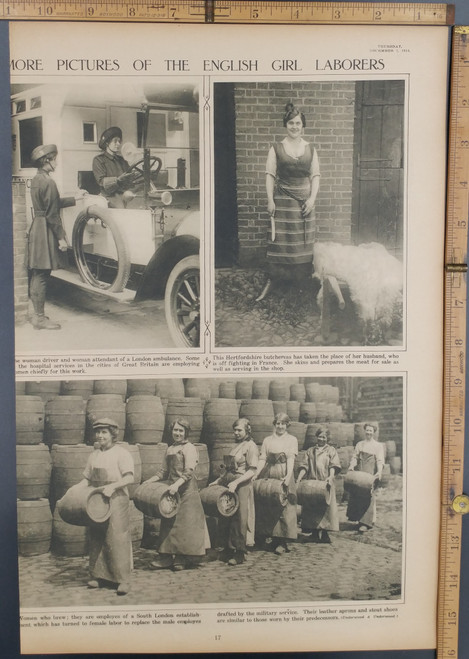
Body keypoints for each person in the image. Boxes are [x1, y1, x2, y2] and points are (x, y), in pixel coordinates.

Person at [256, 102, 320, 302]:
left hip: (305, 205)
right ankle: (276, 282)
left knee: (302, 245)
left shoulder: (310, 148)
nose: (294, 126)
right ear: (286, 125)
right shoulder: (276, 148)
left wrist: (312, 199)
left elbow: (315, 176)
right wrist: (270, 201)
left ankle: (302, 286)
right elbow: (270, 176)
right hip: (283, 202)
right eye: (291, 123)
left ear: (303, 126)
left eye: (298, 123)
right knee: (281, 244)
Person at [27, 144, 81, 330]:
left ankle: (36, 315)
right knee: (42, 274)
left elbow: (52, 204)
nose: (56, 162)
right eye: (54, 159)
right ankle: (40, 319)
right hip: (46, 230)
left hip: (37, 226)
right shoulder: (49, 182)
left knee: (36, 272)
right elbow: (53, 214)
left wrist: (76, 198)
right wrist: (61, 238)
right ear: (46, 161)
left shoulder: (36, 179)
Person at [145, 417, 208, 571]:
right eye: (175, 430)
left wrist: (176, 485)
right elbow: (163, 472)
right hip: (173, 491)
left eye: (181, 430)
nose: (177, 433)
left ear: (186, 432)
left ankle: (182, 558)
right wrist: (149, 481)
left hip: (187, 491)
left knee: (185, 525)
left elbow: (188, 473)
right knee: (168, 524)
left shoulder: (189, 448)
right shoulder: (170, 449)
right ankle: (166, 557)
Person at [80, 418, 134, 595]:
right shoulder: (94, 454)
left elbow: (129, 478)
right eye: (98, 432)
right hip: (97, 499)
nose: (100, 435)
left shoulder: (122, 453)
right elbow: (86, 479)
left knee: (117, 537)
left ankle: (122, 580)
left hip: (117, 498)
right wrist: (74, 490)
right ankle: (98, 576)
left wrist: (112, 487)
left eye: (104, 432)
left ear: (112, 434)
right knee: (97, 536)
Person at [209, 417, 258, 566]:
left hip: (241, 485)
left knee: (240, 518)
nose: (236, 433)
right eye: (234, 430)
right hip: (229, 484)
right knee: (227, 515)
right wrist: (217, 481)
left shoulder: (251, 446)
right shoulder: (236, 446)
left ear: (247, 430)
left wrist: (236, 482)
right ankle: (228, 549)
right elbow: (229, 468)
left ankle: (240, 552)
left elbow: (252, 470)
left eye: (239, 430)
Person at [254, 412, 298, 555]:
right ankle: (270, 536)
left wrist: (288, 476)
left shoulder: (292, 440)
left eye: (283, 424)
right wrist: (256, 474)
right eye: (278, 423)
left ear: (287, 425)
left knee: (284, 506)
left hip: (284, 473)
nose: (280, 426)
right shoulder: (267, 440)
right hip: (269, 473)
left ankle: (282, 541)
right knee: (269, 504)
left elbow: (291, 459)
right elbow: (262, 459)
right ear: (274, 424)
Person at [296, 426, 341, 544]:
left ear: (327, 439)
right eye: (320, 436)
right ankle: (314, 534)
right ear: (316, 437)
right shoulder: (310, 451)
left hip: (325, 483)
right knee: (312, 508)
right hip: (312, 483)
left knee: (326, 508)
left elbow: (333, 466)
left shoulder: (331, 450)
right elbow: (304, 466)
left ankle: (325, 534)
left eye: (324, 437)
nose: (322, 439)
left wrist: (330, 477)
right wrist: (299, 479)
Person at [347, 422, 384, 532]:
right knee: (358, 495)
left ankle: (366, 523)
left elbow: (380, 461)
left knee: (368, 496)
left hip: (370, 474)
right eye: (367, 430)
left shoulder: (378, 446)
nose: (368, 432)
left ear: (374, 432)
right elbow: (355, 457)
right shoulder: (360, 444)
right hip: (359, 473)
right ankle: (358, 520)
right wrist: (351, 466)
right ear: (365, 431)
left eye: (370, 431)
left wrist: (379, 472)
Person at [92, 126, 135, 207]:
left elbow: (130, 177)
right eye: (115, 141)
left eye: (119, 141)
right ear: (107, 143)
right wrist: (118, 180)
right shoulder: (98, 160)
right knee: (124, 210)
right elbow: (101, 182)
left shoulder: (122, 159)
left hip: (125, 193)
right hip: (109, 196)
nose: (118, 144)